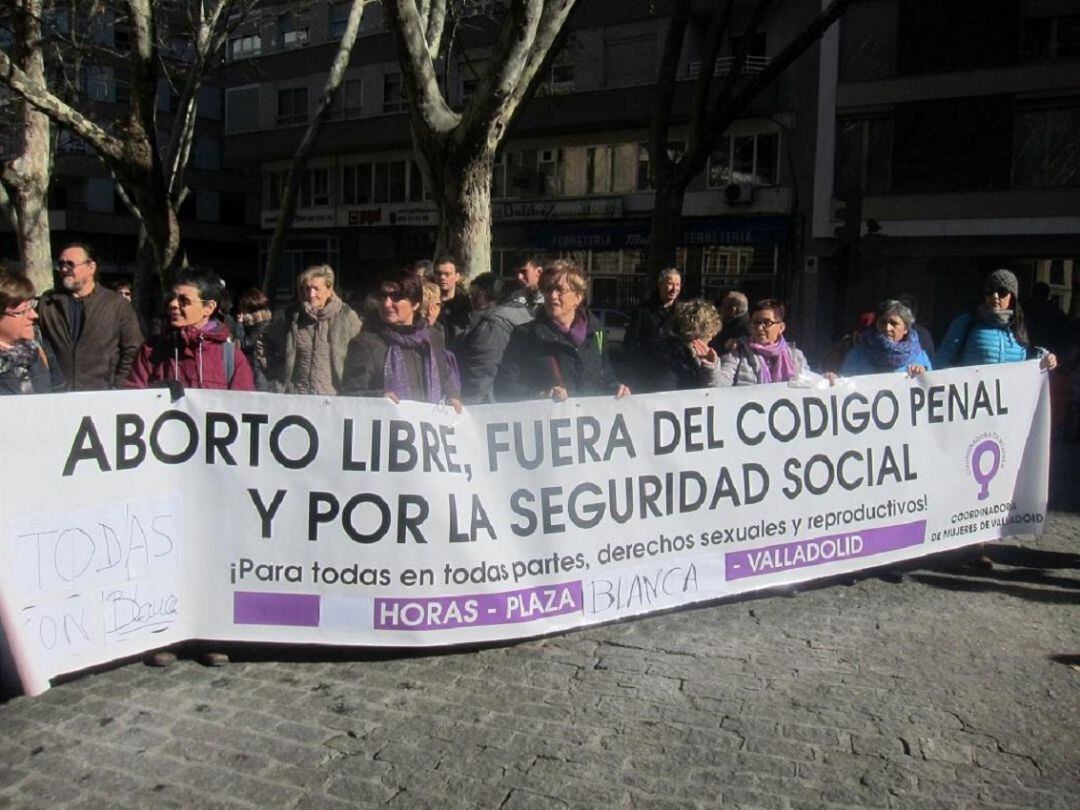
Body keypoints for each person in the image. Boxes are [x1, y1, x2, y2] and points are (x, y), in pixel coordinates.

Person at [495, 260, 630, 402]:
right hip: (547, 421)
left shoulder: (597, 333)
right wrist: (542, 395)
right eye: (547, 289)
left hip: (587, 421)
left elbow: (606, 376)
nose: (552, 296)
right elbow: (504, 387)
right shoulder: (524, 335)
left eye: (560, 290)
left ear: (578, 297)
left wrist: (617, 389)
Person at [342, 269, 462, 409]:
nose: (387, 304)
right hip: (388, 426)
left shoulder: (433, 338)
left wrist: (452, 397)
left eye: (396, 297)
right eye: (383, 296)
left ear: (415, 303)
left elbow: (444, 379)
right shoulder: (365, 343)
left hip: (427, 426)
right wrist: (377, 398)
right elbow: (349, 395)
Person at [37, 241, 143, 390]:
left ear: (91, 267)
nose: (64, 269)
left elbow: (133, 350)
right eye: (61, 264)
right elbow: (35, 345)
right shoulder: (47, 304)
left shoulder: (116, 305)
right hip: (58, 397)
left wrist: (116, 387)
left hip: (101, 397)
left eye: (70, 264)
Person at [125, 269, 254, 391]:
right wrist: (155, 394)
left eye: (184, 300)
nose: (173, 304)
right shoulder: (151, 350)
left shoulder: (231, 358)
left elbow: (244, 407)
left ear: (208, 308)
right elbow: (132, 400)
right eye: (172, 298)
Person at [936, 269, 1057, 371]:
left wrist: (1046, 358)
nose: (995, 296)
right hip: (972, 397)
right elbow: (941, 361)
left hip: (1010, 397)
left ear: (1012, 296)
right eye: (990, 292)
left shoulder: (1020, 325)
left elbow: (1031, 356)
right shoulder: (966, 323)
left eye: (1002, 292)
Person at [269, 264, 363, 395]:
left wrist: (353, 383)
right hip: (297, 397)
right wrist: (276, 377)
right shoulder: (291, 316)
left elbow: (362, 351)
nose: (311, 294)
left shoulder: (346, 316)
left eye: (316, 289)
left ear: (329, 289)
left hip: (334, 399)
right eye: (307, 289)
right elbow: (264, 342)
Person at [457, 277, 534, 404]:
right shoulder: (525, 316)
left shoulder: (493, 325)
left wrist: (471, 407)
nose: (471, 299)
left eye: (475, 294)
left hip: (491, 405)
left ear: (490, 297)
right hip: (518, 401)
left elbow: (482, 370)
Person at [716, 299, 813, 386]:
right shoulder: (737, 353)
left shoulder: (796, 356)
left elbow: (809, 383)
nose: (759, 328)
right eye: (755, 323)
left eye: (767, 323)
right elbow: (719, 383)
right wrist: (711, 366)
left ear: (781, 327)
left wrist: (826, 380)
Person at [0, 265, 64, 395]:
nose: (34, 315)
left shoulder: (38, 348)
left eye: (31, 307)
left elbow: (61, 398)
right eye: (22, 311)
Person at [624, 267, 682, 392]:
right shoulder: (643, 310)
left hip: (674, 377)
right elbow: (630, 343)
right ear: (660, 285)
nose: (674, 289)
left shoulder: (683, 312)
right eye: (670, 284)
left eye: (678, 284)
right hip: (648, 377)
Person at [841, 300, 931, 377]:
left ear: (906, 329)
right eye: (882, 323)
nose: (887, 328)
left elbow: (930, 387)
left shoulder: (920, 357)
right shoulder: (858, 355)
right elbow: (844, 384)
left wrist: (923, 375)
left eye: (894, 323)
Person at [649, 299, 723, 392]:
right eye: (711, 331)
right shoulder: (674, 359)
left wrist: (711, 368)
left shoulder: (668, 349)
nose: (713, 335)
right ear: (699, 330)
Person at [235, 287, 274, 391]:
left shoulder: (260, 324)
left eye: (242, 306)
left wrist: (239, 324)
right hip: (258, 371)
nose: (240, 309)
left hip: (258, 373)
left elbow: (243, 344)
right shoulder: (262, 321)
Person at [433, 256, 471, 346]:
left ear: (457, 276)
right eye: (438, 273)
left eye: (447, 274)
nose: (442, 277)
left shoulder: (467, 304)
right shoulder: (428, 303)